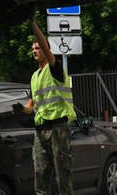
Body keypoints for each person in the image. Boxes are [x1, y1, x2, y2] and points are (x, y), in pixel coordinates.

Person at [21, 17, 75, 195]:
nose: (35, 51)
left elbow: (44, 44)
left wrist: (32, 22)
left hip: (58, 127)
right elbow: (31, 104)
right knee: (40, 174)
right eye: (33, 49)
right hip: (40, 130)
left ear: (46, 50)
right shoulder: (34, 76)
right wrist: (20, 110)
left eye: (38, 48)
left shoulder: (55, 68)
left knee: (62, 177)